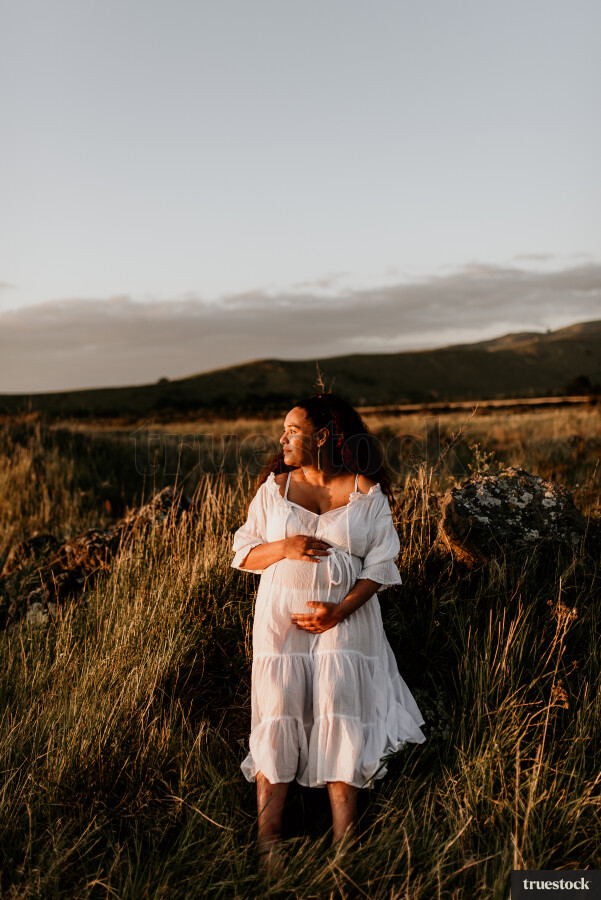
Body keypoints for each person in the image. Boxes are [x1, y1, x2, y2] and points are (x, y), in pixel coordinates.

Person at [231, 393, 426, 870]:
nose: (282, 438)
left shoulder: (365, 493)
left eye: (293, 430)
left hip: (346, 619)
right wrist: (285, 545)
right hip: (281, 622)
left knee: (340, 706)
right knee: (277, 709)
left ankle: (346, 847)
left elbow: (381, 566)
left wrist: (338, 611)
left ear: (324, 437)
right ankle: (268, 843)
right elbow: (243, 556)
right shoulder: (273, 491)